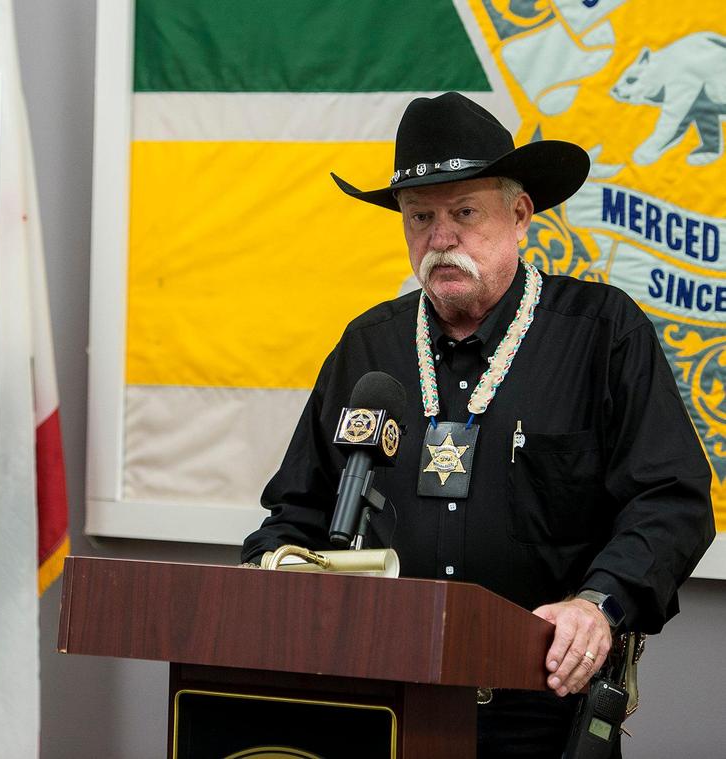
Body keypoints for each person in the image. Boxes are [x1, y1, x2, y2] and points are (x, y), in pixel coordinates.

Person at [241, 92, 715, 757]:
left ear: (520, 214)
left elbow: (674, 500)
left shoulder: (601, 333)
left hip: (542, 714)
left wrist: (598, 604)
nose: (440, 239)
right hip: (381, 709)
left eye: (464, 212)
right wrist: (278, 572)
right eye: (420, 217)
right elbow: (294, 515)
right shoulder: (368, 348)